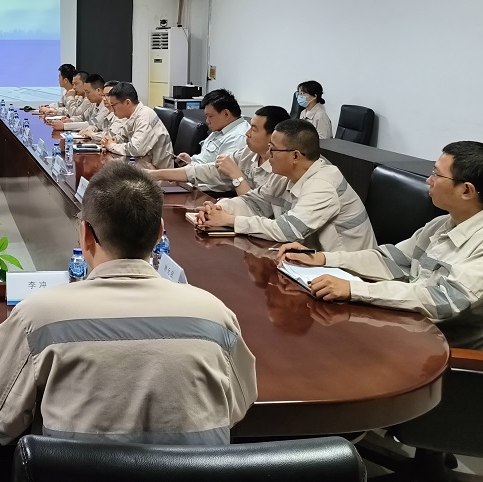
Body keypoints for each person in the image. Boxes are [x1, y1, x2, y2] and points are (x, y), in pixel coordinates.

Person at [0, 161, 256, 445]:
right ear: (160, 233)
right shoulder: (215, 317)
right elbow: (238, 406)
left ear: (84, 234)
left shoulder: (38, 317)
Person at [279, 141, 483, 349]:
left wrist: (354, 289)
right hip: (405, 328)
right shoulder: (442, 224)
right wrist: (322, 258)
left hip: (441, 352)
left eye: (437, 175)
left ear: (466, 191)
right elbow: (390, 260)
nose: (429, 180)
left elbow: (443, 300)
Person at [198, 120, 375, 252]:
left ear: (295, 156)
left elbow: (288, 230)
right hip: (311, 261)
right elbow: (254, 202)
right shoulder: (283, 174)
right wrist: (219, 209)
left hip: (349, 272)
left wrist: (230, 220)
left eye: (273, 149)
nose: (268, 154)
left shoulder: (324, 184)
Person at [149, 106, 291, 196]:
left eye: (254, 129)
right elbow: (209, 170)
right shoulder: (247, 152)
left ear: (274, 136)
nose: (247, 134)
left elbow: (257, 207)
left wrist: (236, 175)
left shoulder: (281, 169)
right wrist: (156, 174)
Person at [176, 89, 249, 190]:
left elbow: (222, 177)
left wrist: (189, 176)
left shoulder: (238, 137)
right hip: (193, 178)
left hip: (206, 190)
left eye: (210, 116)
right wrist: (190, 161)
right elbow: (206, 159)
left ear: (226, 114)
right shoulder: (221, 128)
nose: (207, 121)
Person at [101, 82, 172, 167]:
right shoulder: (132, 115)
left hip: (157, 171)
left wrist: (111, 146)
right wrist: (113, 140)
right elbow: (122, 137)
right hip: (143, 165)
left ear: (127, 103)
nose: (112, 109)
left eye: (113, 105)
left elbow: (135, 149)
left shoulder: (145, 117)